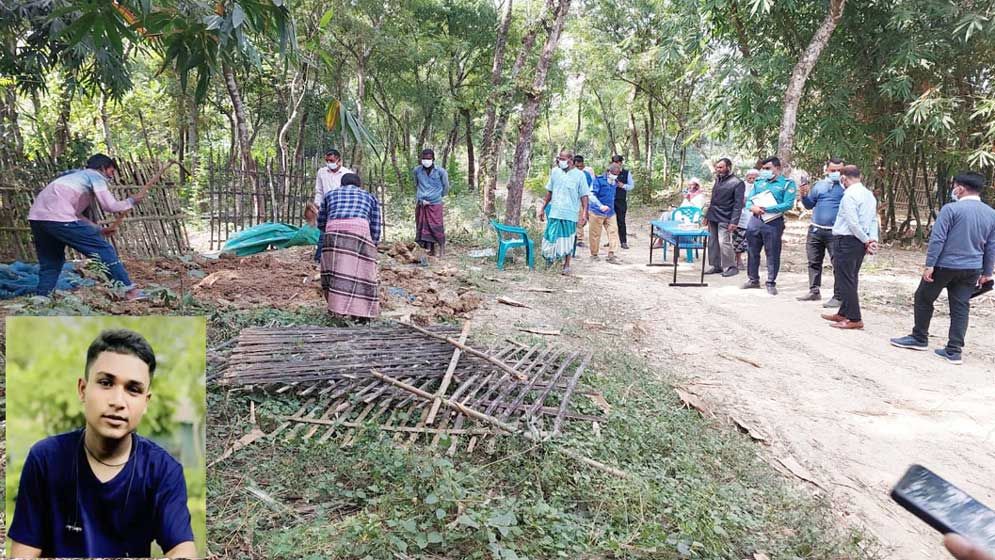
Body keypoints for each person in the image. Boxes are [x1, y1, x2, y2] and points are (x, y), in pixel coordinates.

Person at [8, 329, 196, 559]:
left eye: (133, 389)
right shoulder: (45, 459)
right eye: (106, 383)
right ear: (83, 390)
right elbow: (22, 554)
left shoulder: (163, 470)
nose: (118, 402)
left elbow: (182, 550)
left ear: (145, 402)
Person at [890, 171, 995, 364]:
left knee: (923, 297)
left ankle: (919, 337)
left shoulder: (950, 209)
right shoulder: (991, 213)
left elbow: (938, 239)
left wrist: (930, 264)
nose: (953, 189)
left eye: (955, 185)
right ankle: (954, 350)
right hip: (972, 268)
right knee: (961, 306)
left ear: (961, 188)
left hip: (945, 265)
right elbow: (991, 245)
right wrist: (988, 273)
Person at [28, 154, 146, 300]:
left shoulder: (74, 178)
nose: (111, 176)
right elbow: (110, 206)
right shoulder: (95, 176)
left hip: (37, 219)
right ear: (103, 168)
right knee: (104, 251)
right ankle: (129, 291)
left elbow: (76, 214)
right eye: (111, 171)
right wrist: (131, 201)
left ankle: (42, 298)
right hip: (59, 219)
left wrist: (99, 229)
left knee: (51, 261)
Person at [317, 173, 382, 319]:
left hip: (333, 231)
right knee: (362, 273)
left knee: (335, 271)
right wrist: (373, 245)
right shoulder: (370, 197)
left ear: (342, 184)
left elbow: (321, 222)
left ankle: (336, 309)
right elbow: (376, 226)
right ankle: (362, 311)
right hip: (359, 231)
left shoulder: (330, 194)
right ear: (359, 185)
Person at [820, 165, 878, 330]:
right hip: (859, 242)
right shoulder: (869, 195)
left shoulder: (849, 195)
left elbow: (853, 223)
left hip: (847, 240)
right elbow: (873, 220)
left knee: (845, 279)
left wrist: (867, 240)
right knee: (850, 277)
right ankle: (844, 312)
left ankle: (854, 318)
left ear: (844, 178)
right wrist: (872, 239)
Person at [743, 156, 797, 295]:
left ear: (777, 168)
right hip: (756, 220)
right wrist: (752, 208)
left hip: (773, 222)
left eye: (768, 168)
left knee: (772, 252)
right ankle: (753, 279)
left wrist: (767, 208)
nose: (764, 171)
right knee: (752, 251)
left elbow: (788, 204)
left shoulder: (787, 183)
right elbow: (749, 201)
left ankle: (771, 282)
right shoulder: (759, 183)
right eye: (763, 168)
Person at [798, 157, 846, 306]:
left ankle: (838, 296)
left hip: (836, 233)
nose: (836, 173)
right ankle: (814, 291)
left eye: (839, 171)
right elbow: (809, 205)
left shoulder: (847, 188)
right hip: (815, 230)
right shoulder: (819, 186)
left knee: (838, 264)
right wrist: (804, 195)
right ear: (827, 170)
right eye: (833, 170)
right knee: (813, 261)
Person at [540, 150, 589, 274]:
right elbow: (549, 192)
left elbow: (584, 196)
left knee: (568, 239)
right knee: (551, 237)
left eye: (563, 159)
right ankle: (549, 262)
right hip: (555, 212)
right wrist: (542, 208)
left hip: (570, 214)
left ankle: (566, 265)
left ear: (570, 160)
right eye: (559, 158)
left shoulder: (580, 175)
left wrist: (584, 214)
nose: (560, 161)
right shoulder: (555, 172)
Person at [306, 149, 354, 260]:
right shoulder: (321, 172)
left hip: (342, 208)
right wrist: (317, 205)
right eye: (327, 160)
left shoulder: (347, 174)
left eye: (331, 160)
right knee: (323, 233)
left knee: (341, 233)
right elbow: (319, 191)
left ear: (339, 160)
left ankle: (339, 258)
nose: (329, 163)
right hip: (326, 207)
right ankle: (319, 258)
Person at [703, 158, 745, 277]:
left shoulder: (737, 182)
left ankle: (731, 267)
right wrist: (707, 215)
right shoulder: (718, 180)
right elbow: (713, 200)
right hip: (713, 216)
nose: (718, 169)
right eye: (717, 167)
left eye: (721, 167)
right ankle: (716, 266)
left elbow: (738, 204)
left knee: (724, 242)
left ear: (728, 167)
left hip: (726, 217)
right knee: (712, 242)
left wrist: (734, 221)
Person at [412, 148, 450, 257]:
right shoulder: (417, 171)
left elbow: (446, 187)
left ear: (433, 159)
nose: (426, 160)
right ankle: (429, 250)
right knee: (423, 227)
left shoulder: (441, 172)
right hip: (422, 203)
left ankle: (441, 249)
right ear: (421, 159)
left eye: (428, 158)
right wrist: (421, 198)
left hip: (435, 204)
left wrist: (437, 196)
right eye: (424, 158)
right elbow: (416, 184)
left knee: (436, 226)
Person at [588, 166, 620, 264]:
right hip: (597, 211)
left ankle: (612, 253)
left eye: (617, 174)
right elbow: (591, 195)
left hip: (610, 212)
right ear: (608, 172)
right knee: (595, 234)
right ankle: (594, 254)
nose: (615, 176)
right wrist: (600, 205)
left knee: (613, 231)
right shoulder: (598, 181)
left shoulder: (615, 182)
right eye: (613, 173)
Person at [734, 169, 759, 270]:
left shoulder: (760, 186)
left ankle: (751, 261)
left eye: (754, 178)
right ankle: (738, 260)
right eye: (750, 177)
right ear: (746, 177)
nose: (752, 179)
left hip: (755, 218)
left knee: (752, 242)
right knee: (738, 241)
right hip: (741, 218)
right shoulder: (741, 185)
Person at [610, 155, 635, 249]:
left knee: (621, 221)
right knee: (610, 222)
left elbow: (631, 186)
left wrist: (623, 186)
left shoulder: (626, 173)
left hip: (621, 201)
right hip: (610, 200)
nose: (616, 164)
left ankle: (623, 241)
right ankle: (611, 241)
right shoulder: (608, 172)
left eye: (618, 162)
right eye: (614, 162)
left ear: (621, 163)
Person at [573, 155, 595, 247]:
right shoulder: (571, 173)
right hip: (575, 199)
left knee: (589, 218)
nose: (579, 168)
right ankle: (579, 238)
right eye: (577, 166)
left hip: (586, 198)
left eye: (580, 166)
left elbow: (592, 184)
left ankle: (593, 238)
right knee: (579, 218)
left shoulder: (586, 173)